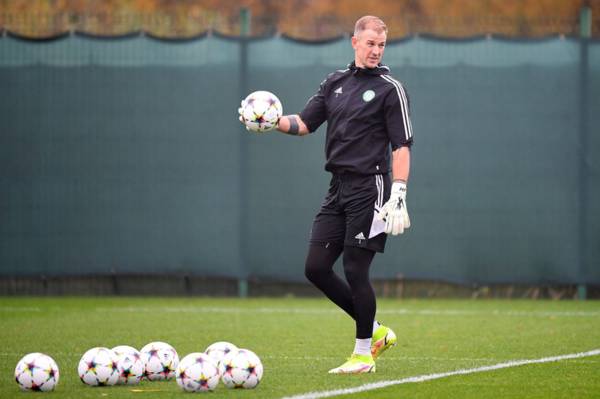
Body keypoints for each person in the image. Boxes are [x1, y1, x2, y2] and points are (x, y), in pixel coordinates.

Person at [239, 15, 413, 374]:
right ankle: (377, 331)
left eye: (381, 45)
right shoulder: (335, 82)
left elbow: (402, 146)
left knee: (354, 267)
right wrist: (270, 121)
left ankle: (363, 353)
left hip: (372, 187)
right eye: (370, 44)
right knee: (315, 268)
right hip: (338, 188)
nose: (375, 51)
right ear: (354, 42)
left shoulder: (390, 89)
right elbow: (303, 124)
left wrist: (399, 192)